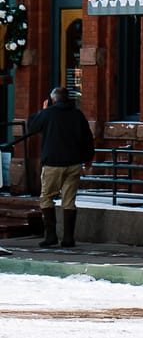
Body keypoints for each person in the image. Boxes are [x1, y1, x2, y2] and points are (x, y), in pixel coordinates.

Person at [23, 78, 95, 250]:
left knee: (47, 198)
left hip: (53, 163)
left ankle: (51, 235)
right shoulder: (77, 115)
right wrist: (88, 158)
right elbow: (87, 138)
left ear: (53, 100)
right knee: (69, 201)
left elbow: (31, 126)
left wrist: (43, 110)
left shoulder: (48, 114)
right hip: (74, 163)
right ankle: (68, 238)